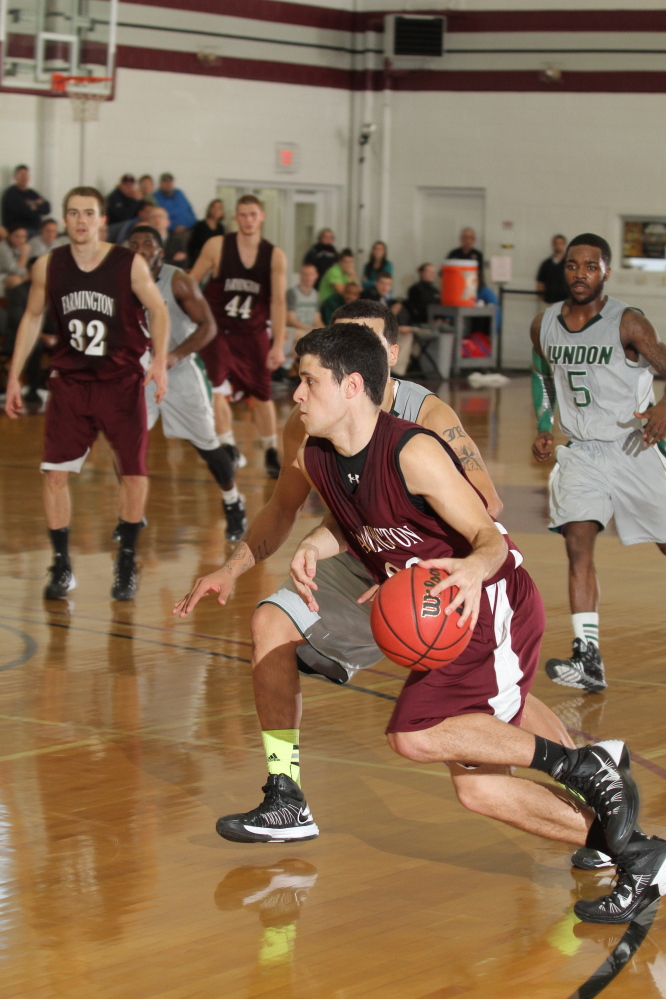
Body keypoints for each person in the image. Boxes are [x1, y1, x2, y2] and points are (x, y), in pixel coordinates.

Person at [283, 324, 664, 926]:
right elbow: (355, 522)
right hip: (445, 617)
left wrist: (464, 572)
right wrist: (314, 543)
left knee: (414, 734)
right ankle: (639, 855)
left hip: (488, 600)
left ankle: (585, 768)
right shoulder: (318, 457)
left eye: (308, 380)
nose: (297, 394)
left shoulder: (414, 450)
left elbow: (489, 534)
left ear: (352, 385)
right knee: (479, 789)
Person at [4, 186, 168, 602]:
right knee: (54, 474)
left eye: (89, 213)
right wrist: (14, 377)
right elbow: (31, 316)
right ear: (65, 220)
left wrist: (160, 360)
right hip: (71, 383)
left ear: (101, 220)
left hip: (121, 383)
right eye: (73, 213)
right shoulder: (49, 265)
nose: (81, 220)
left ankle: (127, 559)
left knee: (132, 473)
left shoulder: (127, 263)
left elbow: (159, 310)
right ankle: (61, 564)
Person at [531, 232, 666, 692]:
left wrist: (664, 406)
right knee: (577, 542)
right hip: (583, 450)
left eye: (591, 266)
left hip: (633, 445)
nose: (580, 274)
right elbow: (541, 373)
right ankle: (587, 657)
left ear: (605, 271)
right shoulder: (544, 323)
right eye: (573, 265)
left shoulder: (628, 323)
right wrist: (544, 425)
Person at [128, 226, 247, 541]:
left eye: (147, 244)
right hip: (142, 375)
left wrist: (173, 355)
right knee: (128, 445)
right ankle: (132, 516)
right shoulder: (121, 281)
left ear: (160, 252)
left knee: (208, 447)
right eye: (134, 245)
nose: (140, 250)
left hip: (180, 374)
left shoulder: (178, 280)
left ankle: (233, 502)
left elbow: (209, 327)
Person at [191, 194, 287, 479]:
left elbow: (279, 303)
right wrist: (194, 319)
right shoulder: (217, 245)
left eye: (253, 214)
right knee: (218, 388)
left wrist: (279, 344)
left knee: (262, 395)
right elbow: (190, 282)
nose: (248, 220)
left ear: (262, 217)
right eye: (243, 215)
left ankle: (270, 449)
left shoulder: (274, 255)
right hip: (218, 330)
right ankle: (228, 446)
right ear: (236, 217)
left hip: (253, 332)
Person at [6, 255, 57, 403]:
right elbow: (18, 319)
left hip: (44, 335)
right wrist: (42, 336)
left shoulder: (50, 290)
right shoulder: (18, 291)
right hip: (16, 337)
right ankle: (33, 389)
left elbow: (51, 320)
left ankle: (56, 388)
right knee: (36, 344)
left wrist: (53, 335)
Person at [283, 263, 322, 377]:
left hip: (308, 329)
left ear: (316, 276)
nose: (308, 277)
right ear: (300, 276)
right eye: (305, 274)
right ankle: (286, 368)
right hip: (294, 329)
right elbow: (289, 320)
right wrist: (311, 329)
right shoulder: (292, 293)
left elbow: (317, 319)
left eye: (310, 274)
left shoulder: (315, 295)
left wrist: (327, 330)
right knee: (301, 337)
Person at [1, 165, 51, 234]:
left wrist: (32, 207)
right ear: (15, 177)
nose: (24, 177)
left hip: (36, 229)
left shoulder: (32, 193)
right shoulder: (11, 193)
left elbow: (47, 208)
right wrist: (37, 204)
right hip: (19, 231)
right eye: (21, 174)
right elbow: (24, 211)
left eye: (26, 174)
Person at [187, 199, 226, 268]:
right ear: (210, 209)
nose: (216, 210)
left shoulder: (221, 228)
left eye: (219, 208)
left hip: (215, 261)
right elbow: (192, 246)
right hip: (200, 260)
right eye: (214, 207)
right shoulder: (200, 225)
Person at [536, 234, 569, 304]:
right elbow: (540, 282)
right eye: (556, 243)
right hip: (548, 301)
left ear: (564, 245)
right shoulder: (546, 264)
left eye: (560, 243)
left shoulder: (569, 264)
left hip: (564, 302)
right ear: (553, 245)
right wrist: (541, 298)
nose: (558, 246)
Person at [0, 226, 30, 293]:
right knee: (16, 281)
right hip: (3, 275)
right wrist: (24, 255)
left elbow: (24, 271)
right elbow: (15, 270)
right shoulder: (3, 247)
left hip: (16, 274)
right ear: (10, 236)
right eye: (17, 236)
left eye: (23, 237)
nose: (20, 239)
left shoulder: (21, 246)